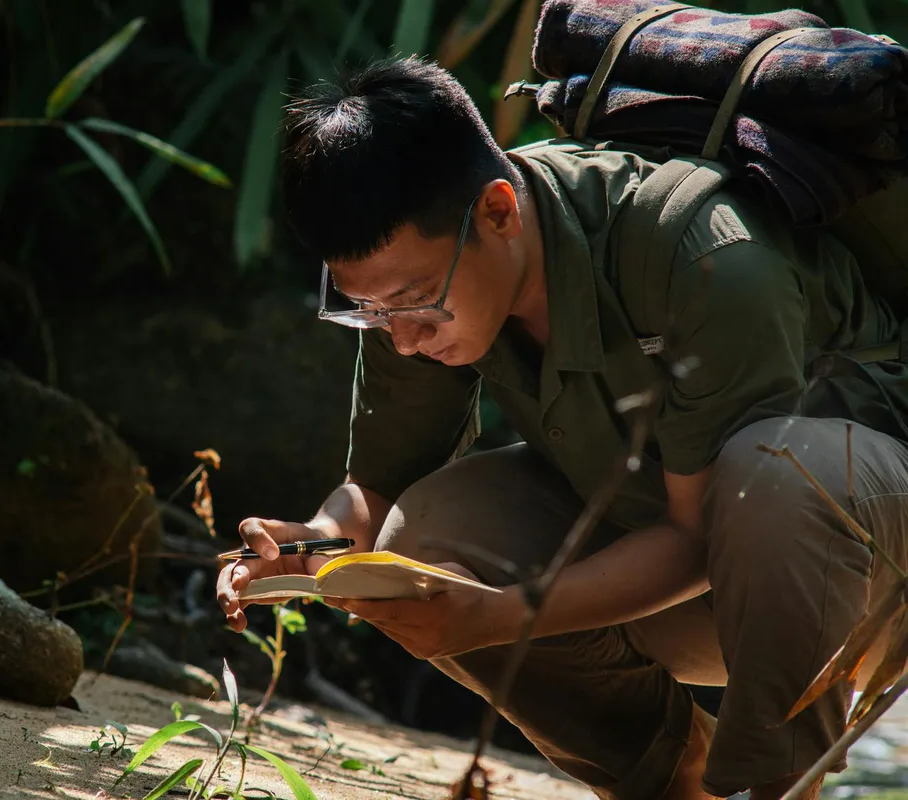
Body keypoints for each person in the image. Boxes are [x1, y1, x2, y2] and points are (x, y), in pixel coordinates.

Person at [214, 56, 908, 800]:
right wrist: (309, 545)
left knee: (773, 473)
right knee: (425, 543)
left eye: (413, 302)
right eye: (368, 311)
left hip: (857, 575)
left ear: (500, 212)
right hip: (693, 564)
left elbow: (699, 534)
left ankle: (778, 785)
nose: (402, 338)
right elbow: (377, 491)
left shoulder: (704, 252)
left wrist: (500, 615)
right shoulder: (419, 286)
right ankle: (675, 782)